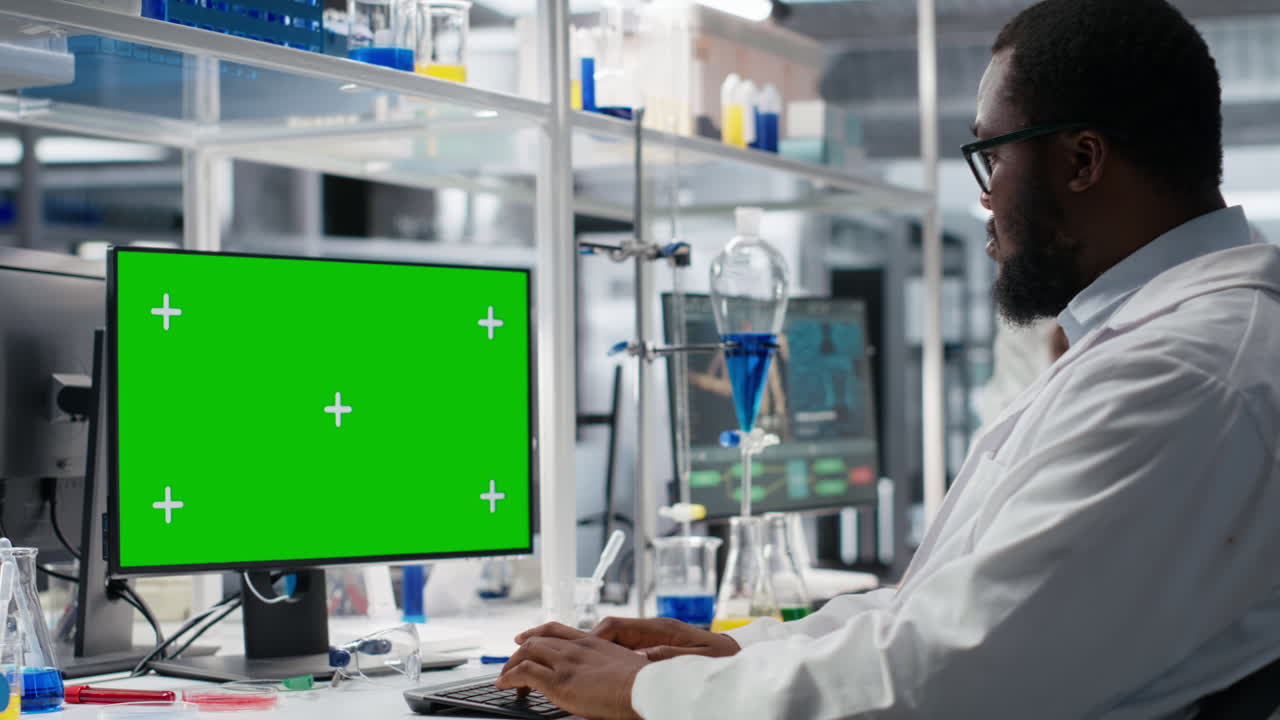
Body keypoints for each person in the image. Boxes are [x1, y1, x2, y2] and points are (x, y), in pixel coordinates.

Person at [497, 0, 1280, 717]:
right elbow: (938, 609)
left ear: (1081, 162)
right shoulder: (1173, 342)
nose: (985, 198)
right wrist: (735, 653)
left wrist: (649, 692)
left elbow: (951, 672)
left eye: (992, 155)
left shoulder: (1188, 374)